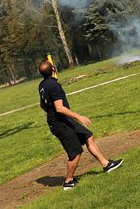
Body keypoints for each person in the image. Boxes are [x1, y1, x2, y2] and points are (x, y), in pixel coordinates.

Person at [38, 60, 123, 190]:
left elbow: (42, 105)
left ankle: (106, 165)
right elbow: (59, 108)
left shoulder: (42, 85)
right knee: (75, 152)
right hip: (60, 123)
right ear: (53, 69)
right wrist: (79, 117)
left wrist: (51, 114)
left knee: (88, 136)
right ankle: (68, 181)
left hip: (63, 120)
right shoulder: (54, 85)